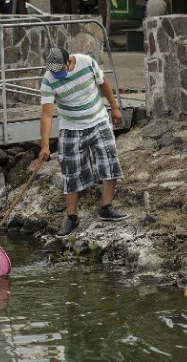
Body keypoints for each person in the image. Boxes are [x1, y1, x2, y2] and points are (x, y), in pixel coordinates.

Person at [33, 46, 129, 238]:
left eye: (60, 70)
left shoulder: (86, 62)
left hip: (98, 120)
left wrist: (115, 108)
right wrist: (44, 145)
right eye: (54, 71)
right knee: (71, 172)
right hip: (70, 128)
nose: (57, 75)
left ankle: (106, 208)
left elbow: (104, 84)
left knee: (109, 162)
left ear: (69, 62)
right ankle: (72, 217)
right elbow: (46, 114)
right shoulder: (49, 79)